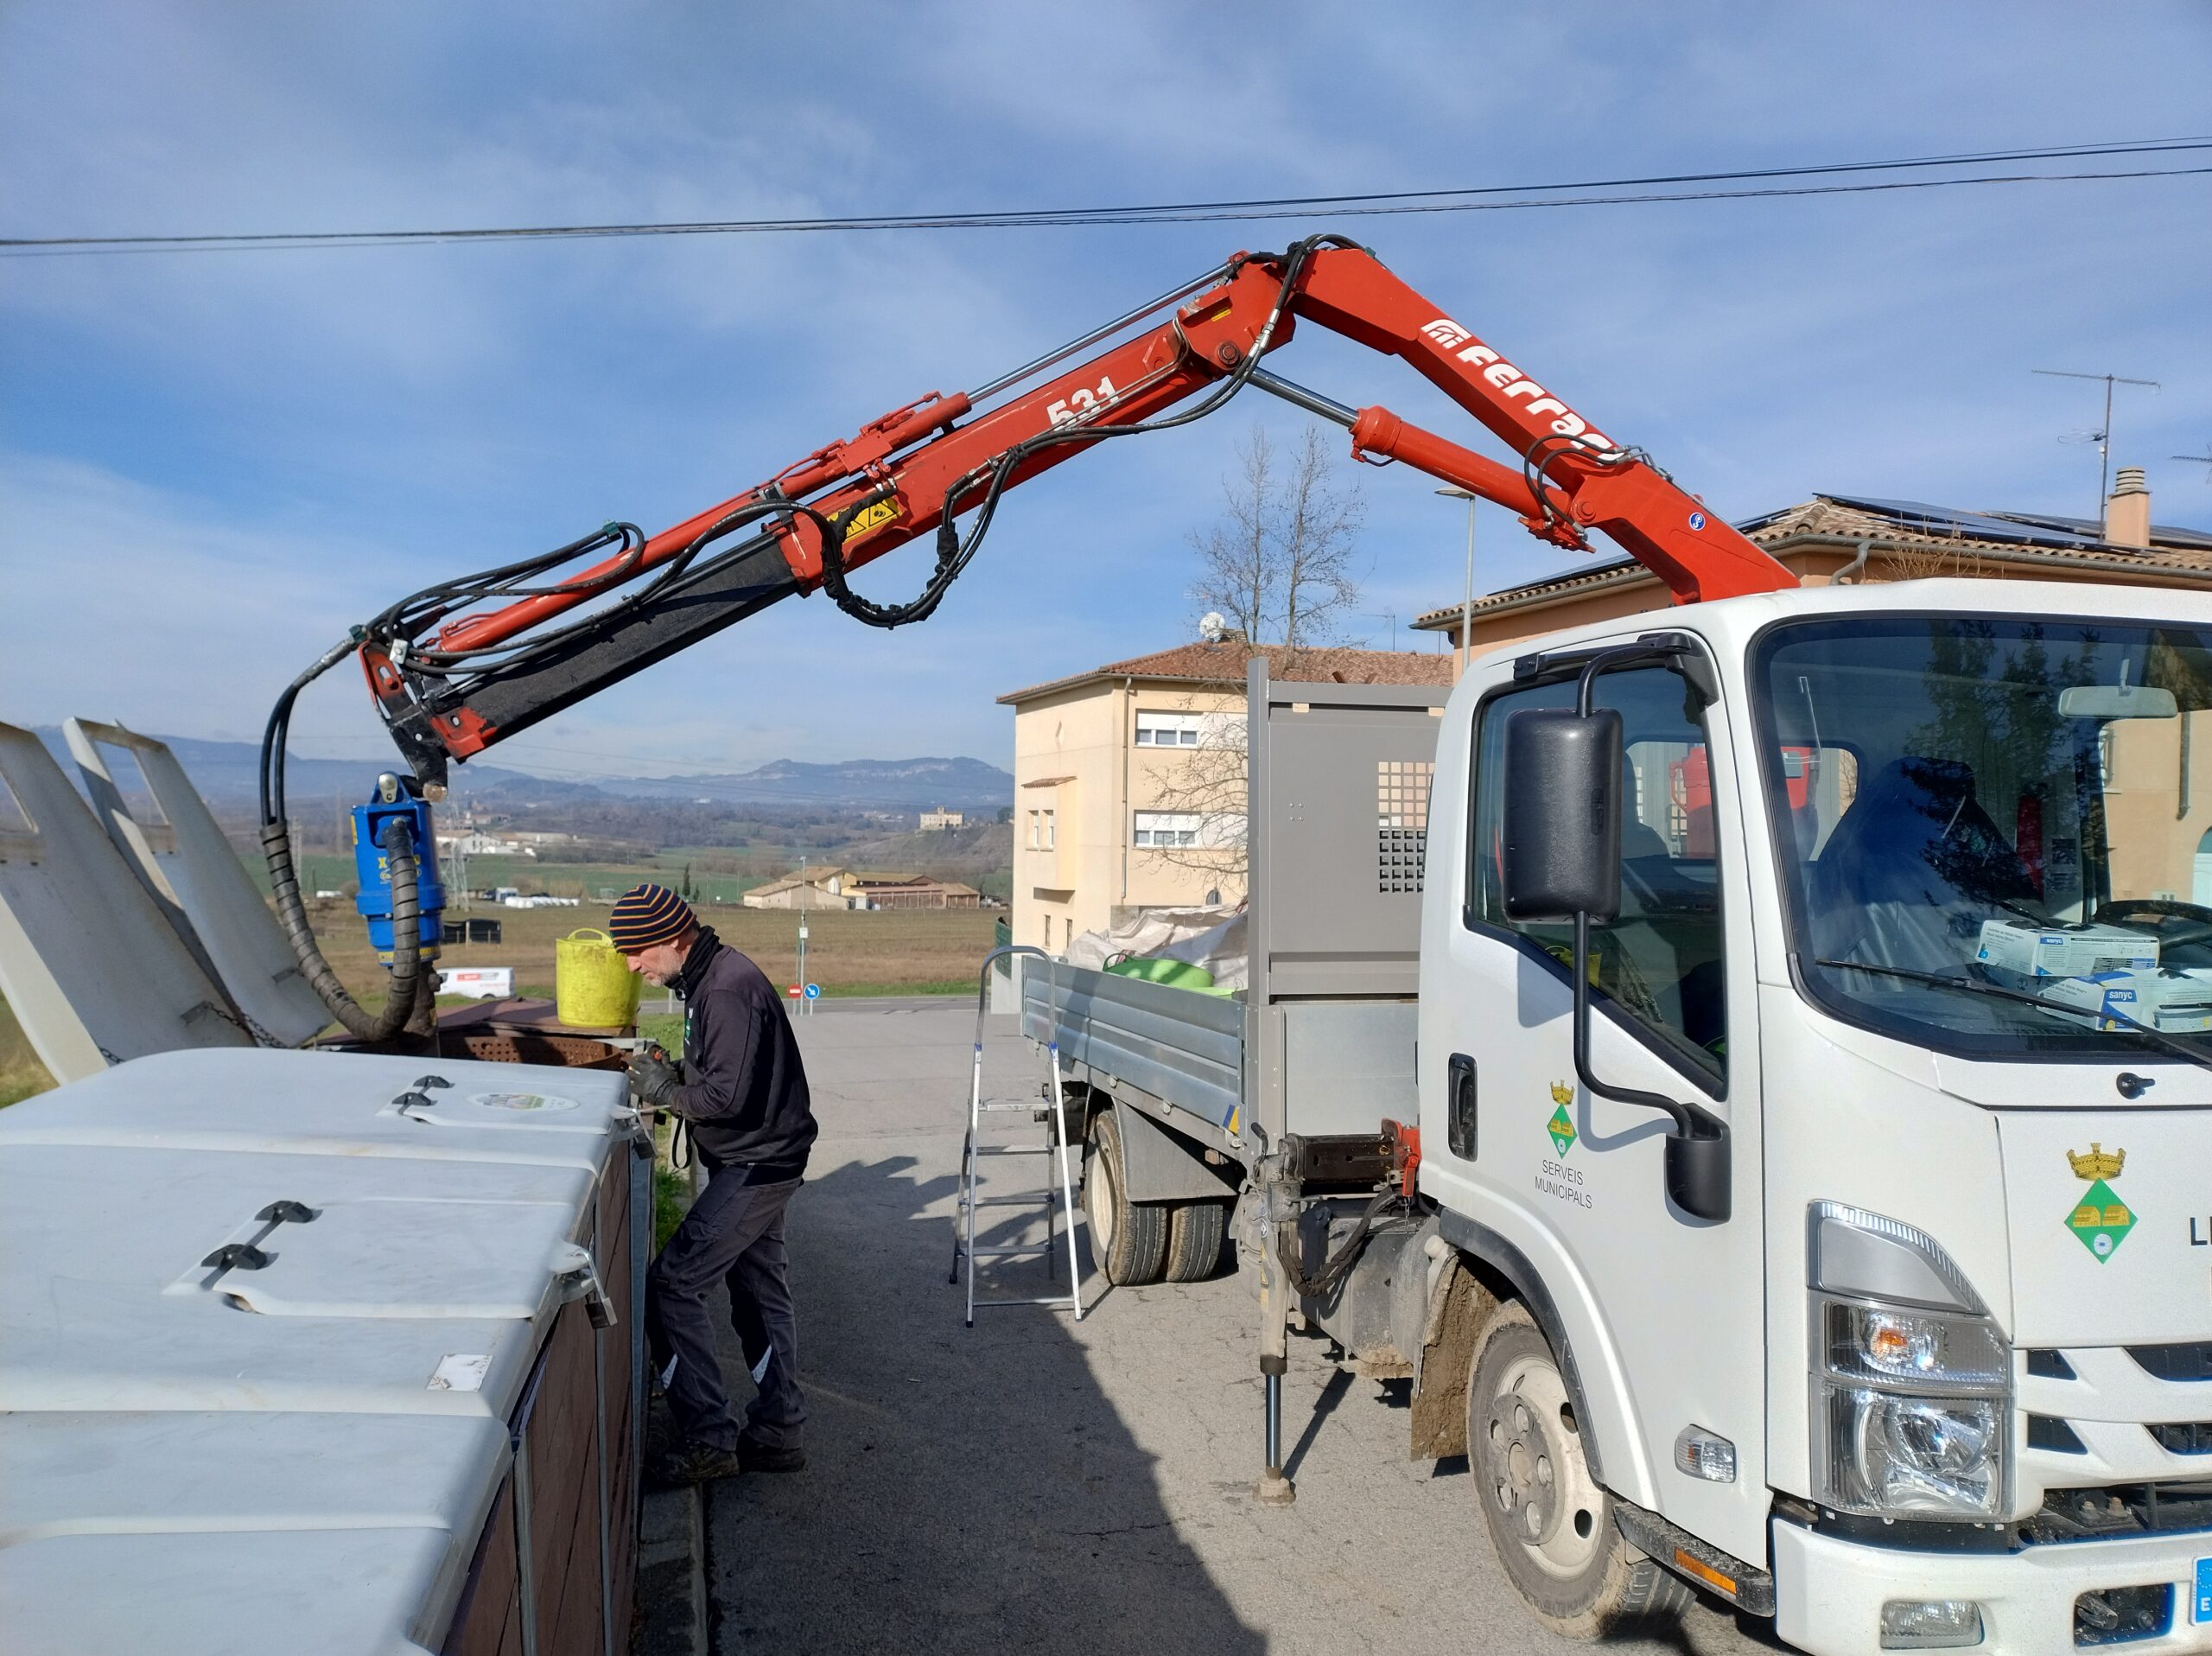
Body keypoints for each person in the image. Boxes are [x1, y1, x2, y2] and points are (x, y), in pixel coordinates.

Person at [613, 882, 818, 1485]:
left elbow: (723, 1097)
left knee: (673, 1288)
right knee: (758, 1294)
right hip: (762, 1158)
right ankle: (780, 1432)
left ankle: (709, 1440)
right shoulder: (706, 979)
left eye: (639, 951)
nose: (632, 964)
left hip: (757, 1165)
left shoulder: (725, 987)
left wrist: (664, 1092)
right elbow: (730, 1074)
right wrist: (677, 1072)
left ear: (674, 937)